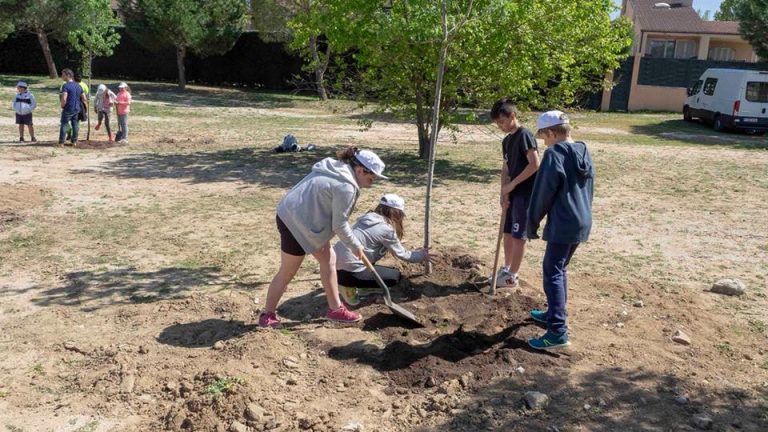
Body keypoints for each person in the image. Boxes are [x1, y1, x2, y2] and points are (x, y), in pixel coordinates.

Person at [259, 147, 388, 328]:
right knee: (288, 270)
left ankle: (335, 309)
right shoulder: (347, 187)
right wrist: (355, 246)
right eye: (372, 176)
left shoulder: (336, 168)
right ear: (360, 170)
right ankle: (267, 315)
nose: (373, 180)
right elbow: (340, 225)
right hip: (295, 222)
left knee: (329, 259)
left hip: (295, 213)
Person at [526, 110, 594, 351]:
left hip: (564, 221)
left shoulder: (554, 154)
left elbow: (543, 192)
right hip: (582, 220)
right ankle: (553, 313)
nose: (544, 142)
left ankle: (557, 331)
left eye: (544, 137)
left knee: (552, 270)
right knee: (560, 267)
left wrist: (531, 223)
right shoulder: (583, 151)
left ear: (553, 133)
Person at [333, 193, 430, 306]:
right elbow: (403, 255)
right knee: (395, 277)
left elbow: (368, 241)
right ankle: (347, 287)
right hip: (349, 273)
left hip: (333, 267)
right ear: (397, 213)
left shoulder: (367, 218)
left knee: (372, 254)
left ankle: (362, 287)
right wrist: (422, 255)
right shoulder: (386, 230)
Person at [489, 98, 539, 287]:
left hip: (525, 194)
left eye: (502, 121)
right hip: (512, 194)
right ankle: (507, 268)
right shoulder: (507, 141)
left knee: (519, 235)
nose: (500, 126)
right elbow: (506, 168)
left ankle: (512, 276)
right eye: (497, 124)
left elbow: (535, 164)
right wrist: (504, 191)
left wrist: (513, 186)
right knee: (507, 232)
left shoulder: (525, 135)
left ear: (513, 116)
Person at [59, 69, 87, 146]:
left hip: (68, 108)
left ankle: (61, 142)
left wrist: (62, 105)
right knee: (75, 125)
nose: (62, 76)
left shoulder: (65, 85)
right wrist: (84, 108)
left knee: (64, 124)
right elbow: (84, 98)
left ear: (68, 75)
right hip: (77, 108)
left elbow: (64, 98)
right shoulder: (78, 85)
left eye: (63, 75)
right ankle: (74, 141)